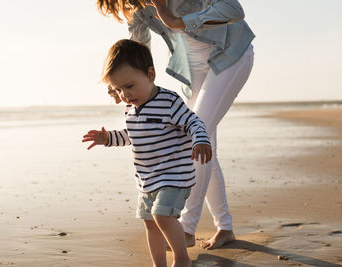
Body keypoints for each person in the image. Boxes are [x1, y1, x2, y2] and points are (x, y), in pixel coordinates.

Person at [96, 0, 255, 249]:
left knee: (194, 136)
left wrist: (176, 21)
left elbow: (234, 10)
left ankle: (187, 228)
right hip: (193, 71)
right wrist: (119, 84)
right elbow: (137, 50)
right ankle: (225, 228)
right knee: (204, 144)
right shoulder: (136, 6)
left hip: (230, 55)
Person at [82, 39, 212, 267]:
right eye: (119, 89)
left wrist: (200, 140)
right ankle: (158, 264)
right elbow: (131, 135)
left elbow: (194, 122)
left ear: (150, 75)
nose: (125, 94)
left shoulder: (169, 101)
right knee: (150, 222)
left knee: (162, 216)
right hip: (147, 180)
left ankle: (183, 260)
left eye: (129, 86)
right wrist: (108, 138)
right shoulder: (131, 109)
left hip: (174, 176)